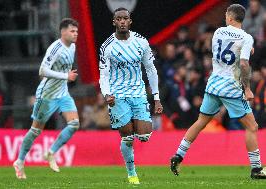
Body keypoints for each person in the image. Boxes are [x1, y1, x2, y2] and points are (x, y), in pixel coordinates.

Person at [170, 4, 266, 179]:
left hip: (213, 85)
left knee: (200, 122)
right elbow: (243, 63)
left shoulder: (218, 32)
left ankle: (178, 154)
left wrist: (246, 49)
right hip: (231, 88)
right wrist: (247, 89)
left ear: (230, 17)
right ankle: (256, 169)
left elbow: (222, 52)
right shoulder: (246, 37)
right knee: (252, 126)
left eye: (226, 15)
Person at [99, 7, 163, 184]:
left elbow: (151, 69)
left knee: (144, 136)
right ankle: (131, 172)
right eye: (118, 19)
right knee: (127, 136)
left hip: (138, 93)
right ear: (114, 22)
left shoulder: (141, 42)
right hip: (118, 95)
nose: (122, 22)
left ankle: (131, 122)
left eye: (125, 18)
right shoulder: (107, 46)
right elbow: (103, 75)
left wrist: (156, 97)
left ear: (130, 21)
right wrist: (106, 94)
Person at [13, 18, 80, 179]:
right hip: (47, 95)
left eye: (76, 31)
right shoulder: (55, 48)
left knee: (74, 124)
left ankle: (50, 153)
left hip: (63, 93)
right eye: (72, 31)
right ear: (63, 32)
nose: (75, 34)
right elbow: (42, 71)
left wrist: (66, 76)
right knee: (36, 131)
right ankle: (20, 161)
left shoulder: (73, 47)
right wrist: (65, 75)